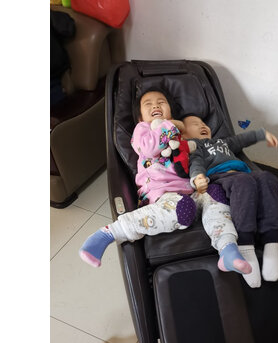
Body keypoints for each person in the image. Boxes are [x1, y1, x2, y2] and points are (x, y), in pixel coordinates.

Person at [79, 90, 252, 277]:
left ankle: (227, 249)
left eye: (161, 102)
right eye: (148, 104)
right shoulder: (143, 129)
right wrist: (168, 124)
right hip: (161, 192)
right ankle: (109, 233)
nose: (155, 105)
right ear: (140, 117)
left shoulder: (181, 134)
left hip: (189, 190)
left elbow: (195, 156)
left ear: (171, 111)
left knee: (215, 195)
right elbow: (149, 148)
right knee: (183, 208)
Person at [182, 115, 278, 288]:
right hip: (220, 178)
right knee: (244, 182)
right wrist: (197, 178)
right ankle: (245, 245)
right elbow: (196, 163)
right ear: (185, 135)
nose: (202, 125)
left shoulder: (223, 142)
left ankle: (272, 243)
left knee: (267, 177)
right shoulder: (196, 146)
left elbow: (241, 139)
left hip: (244, 174)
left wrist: (262, 134)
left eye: (204, 123)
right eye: (195, 124)